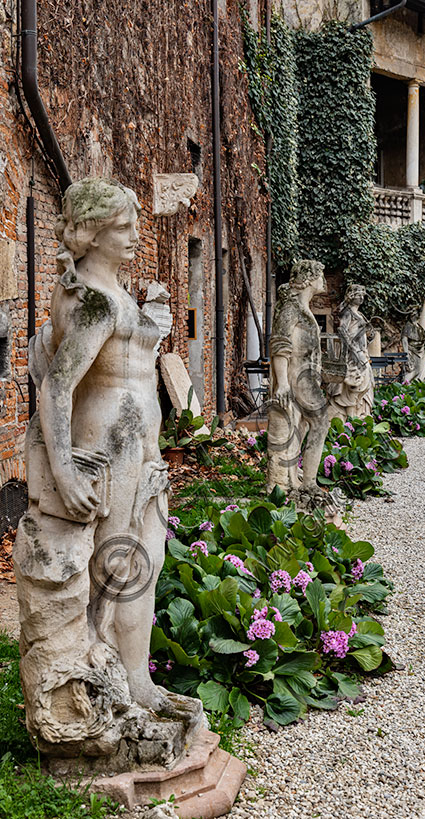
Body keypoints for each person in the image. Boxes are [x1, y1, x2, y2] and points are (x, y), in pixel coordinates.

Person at [14, 178, 173, 750]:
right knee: (121, 564)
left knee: (141, 557)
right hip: (109, 448)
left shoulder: (109, 292)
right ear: (92, 234)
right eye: (122, 228)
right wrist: (61, 471)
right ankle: (116, 680)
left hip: (136, 449)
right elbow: (56, 389)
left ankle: (135, 676)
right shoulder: (95, 302)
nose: (134, 236)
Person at [267, 259, 329, 495]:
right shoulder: (290, 308)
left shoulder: (303, 309)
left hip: (308, 376)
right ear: (310, 279)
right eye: (320, 276)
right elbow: (280, 344)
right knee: (320, 421)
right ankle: (309, 484)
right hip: (297, 377)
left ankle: (294, 477)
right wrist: (282, 383)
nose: (323, 281)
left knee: (302, 425)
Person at [327, 283, 374, 421]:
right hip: (352, 354)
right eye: (358, 294)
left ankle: (360, 414)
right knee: (354, 384)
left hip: (362, 353)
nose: (361, 297)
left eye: (362, 294)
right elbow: (342, 332)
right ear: (351, 296)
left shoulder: (359, 314)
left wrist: (369, 337)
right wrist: (356, 352)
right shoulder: (348, 313)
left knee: (364, 383)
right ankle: (351, 418)